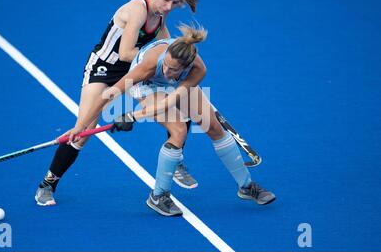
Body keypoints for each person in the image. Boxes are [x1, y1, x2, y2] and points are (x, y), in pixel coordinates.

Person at [70, 23, 276, 216]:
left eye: (173, 69)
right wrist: (79, 126)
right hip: (146, 84)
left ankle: (246, 186)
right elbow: (110, 94)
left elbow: (171, 100)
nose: (167, 71)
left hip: (177, 86)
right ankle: (158, 196)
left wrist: (132, 116)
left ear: (185, 67)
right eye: (166, 65)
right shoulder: (150, 64)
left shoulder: (198, 69)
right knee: (178, 130)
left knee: (214, 128)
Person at [35, 0, 199, 206]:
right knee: (83, 131)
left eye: (175, 2)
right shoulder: (137, 9)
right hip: (103, 69)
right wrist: (158, 62)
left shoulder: (160, 18)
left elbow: (166, 48)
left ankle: (177, 160)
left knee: (175, 107)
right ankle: (47, 184)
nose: (169, 6)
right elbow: (125, 53)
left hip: (133, 71)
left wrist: (178, 65)